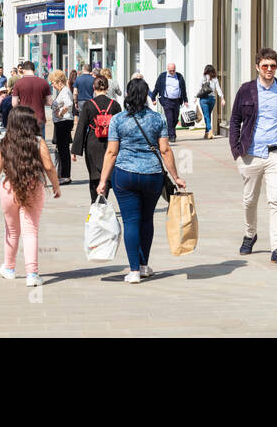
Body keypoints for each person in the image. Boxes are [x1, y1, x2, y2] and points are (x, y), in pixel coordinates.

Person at [97, 77, 185, 283]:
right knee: (147, 220)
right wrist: (176, 177)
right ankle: (144, 266)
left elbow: (111, 152)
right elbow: (165, 149)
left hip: (124, 175)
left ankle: (134, 270)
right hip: (152, 176)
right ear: (146, 96)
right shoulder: (157, 119)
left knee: (130, 222)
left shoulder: (118, 119)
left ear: (127, 94)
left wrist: (103, 181)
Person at [229, 47, 277, 266]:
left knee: (275, 200)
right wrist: (236, 150)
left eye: (273, 66)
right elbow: (235, 120)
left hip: (276, 153)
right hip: (250, 154)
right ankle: (250, 234)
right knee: (249, 201)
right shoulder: (246, 90)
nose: (269, 69)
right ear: (257, 67)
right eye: (265, 66)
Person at [0, 108, 61, 287]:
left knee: (11, 230)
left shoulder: (4, 143)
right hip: (33, 186)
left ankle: (9, 269)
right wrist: (56, 186)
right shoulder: (38, 142)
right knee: (30, 230)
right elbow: (49, 167)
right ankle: (32, 274)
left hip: (8, 187)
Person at [72, 74, 120, 202]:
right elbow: (121, 127)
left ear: (94, 87)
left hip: (93, 142)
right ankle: (104, 198)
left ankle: (95, 202)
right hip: (111, 142)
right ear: (108, 87)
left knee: (94, 174)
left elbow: (81, 127)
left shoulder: (89, 105)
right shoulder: (114, 105)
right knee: (108, 172)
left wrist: (75, 150)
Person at [11, 61, 51, 144]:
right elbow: (49, 102)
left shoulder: (18, 83)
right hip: (39, 118)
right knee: (40, 146)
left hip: (24, 118)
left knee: (25, 146)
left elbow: (14, 104)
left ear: (23, 70)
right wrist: (40, 101)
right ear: (34, 70)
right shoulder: (44, 82)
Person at [48, 69, 74, 185]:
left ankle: (65, 175)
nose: (52, 85)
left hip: (63, 122)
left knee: (63, 149)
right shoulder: (62, 91)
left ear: (59, 81)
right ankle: (63, 174)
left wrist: (61, 113)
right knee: (61, 149)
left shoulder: (65, 91)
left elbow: (69, 104)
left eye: (53, 82)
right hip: (61, 122)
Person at [152, 62, 188, 143]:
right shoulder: (162, 76)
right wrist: (153, 98)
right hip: (167, 100)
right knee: (170, 119)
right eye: (170, 71)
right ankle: (172, 136)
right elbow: (157, 87)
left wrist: (185, 100)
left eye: (173, 70)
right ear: (167, 70)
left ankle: (169, 131)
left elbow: (183, 89)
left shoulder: (179, 76)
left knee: (175, 119)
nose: (172, 72)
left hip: (177, 101)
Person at [197, 65, 223, 140]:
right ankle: (207, 133)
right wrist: (222, 98)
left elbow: (199, 88)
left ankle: (209, 131)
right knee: (207, 115)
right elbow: (218, 89)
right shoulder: (215, 79)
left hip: (204, 99)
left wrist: (195, 97)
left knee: (206, 116)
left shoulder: (203, 78)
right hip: (212, 99)